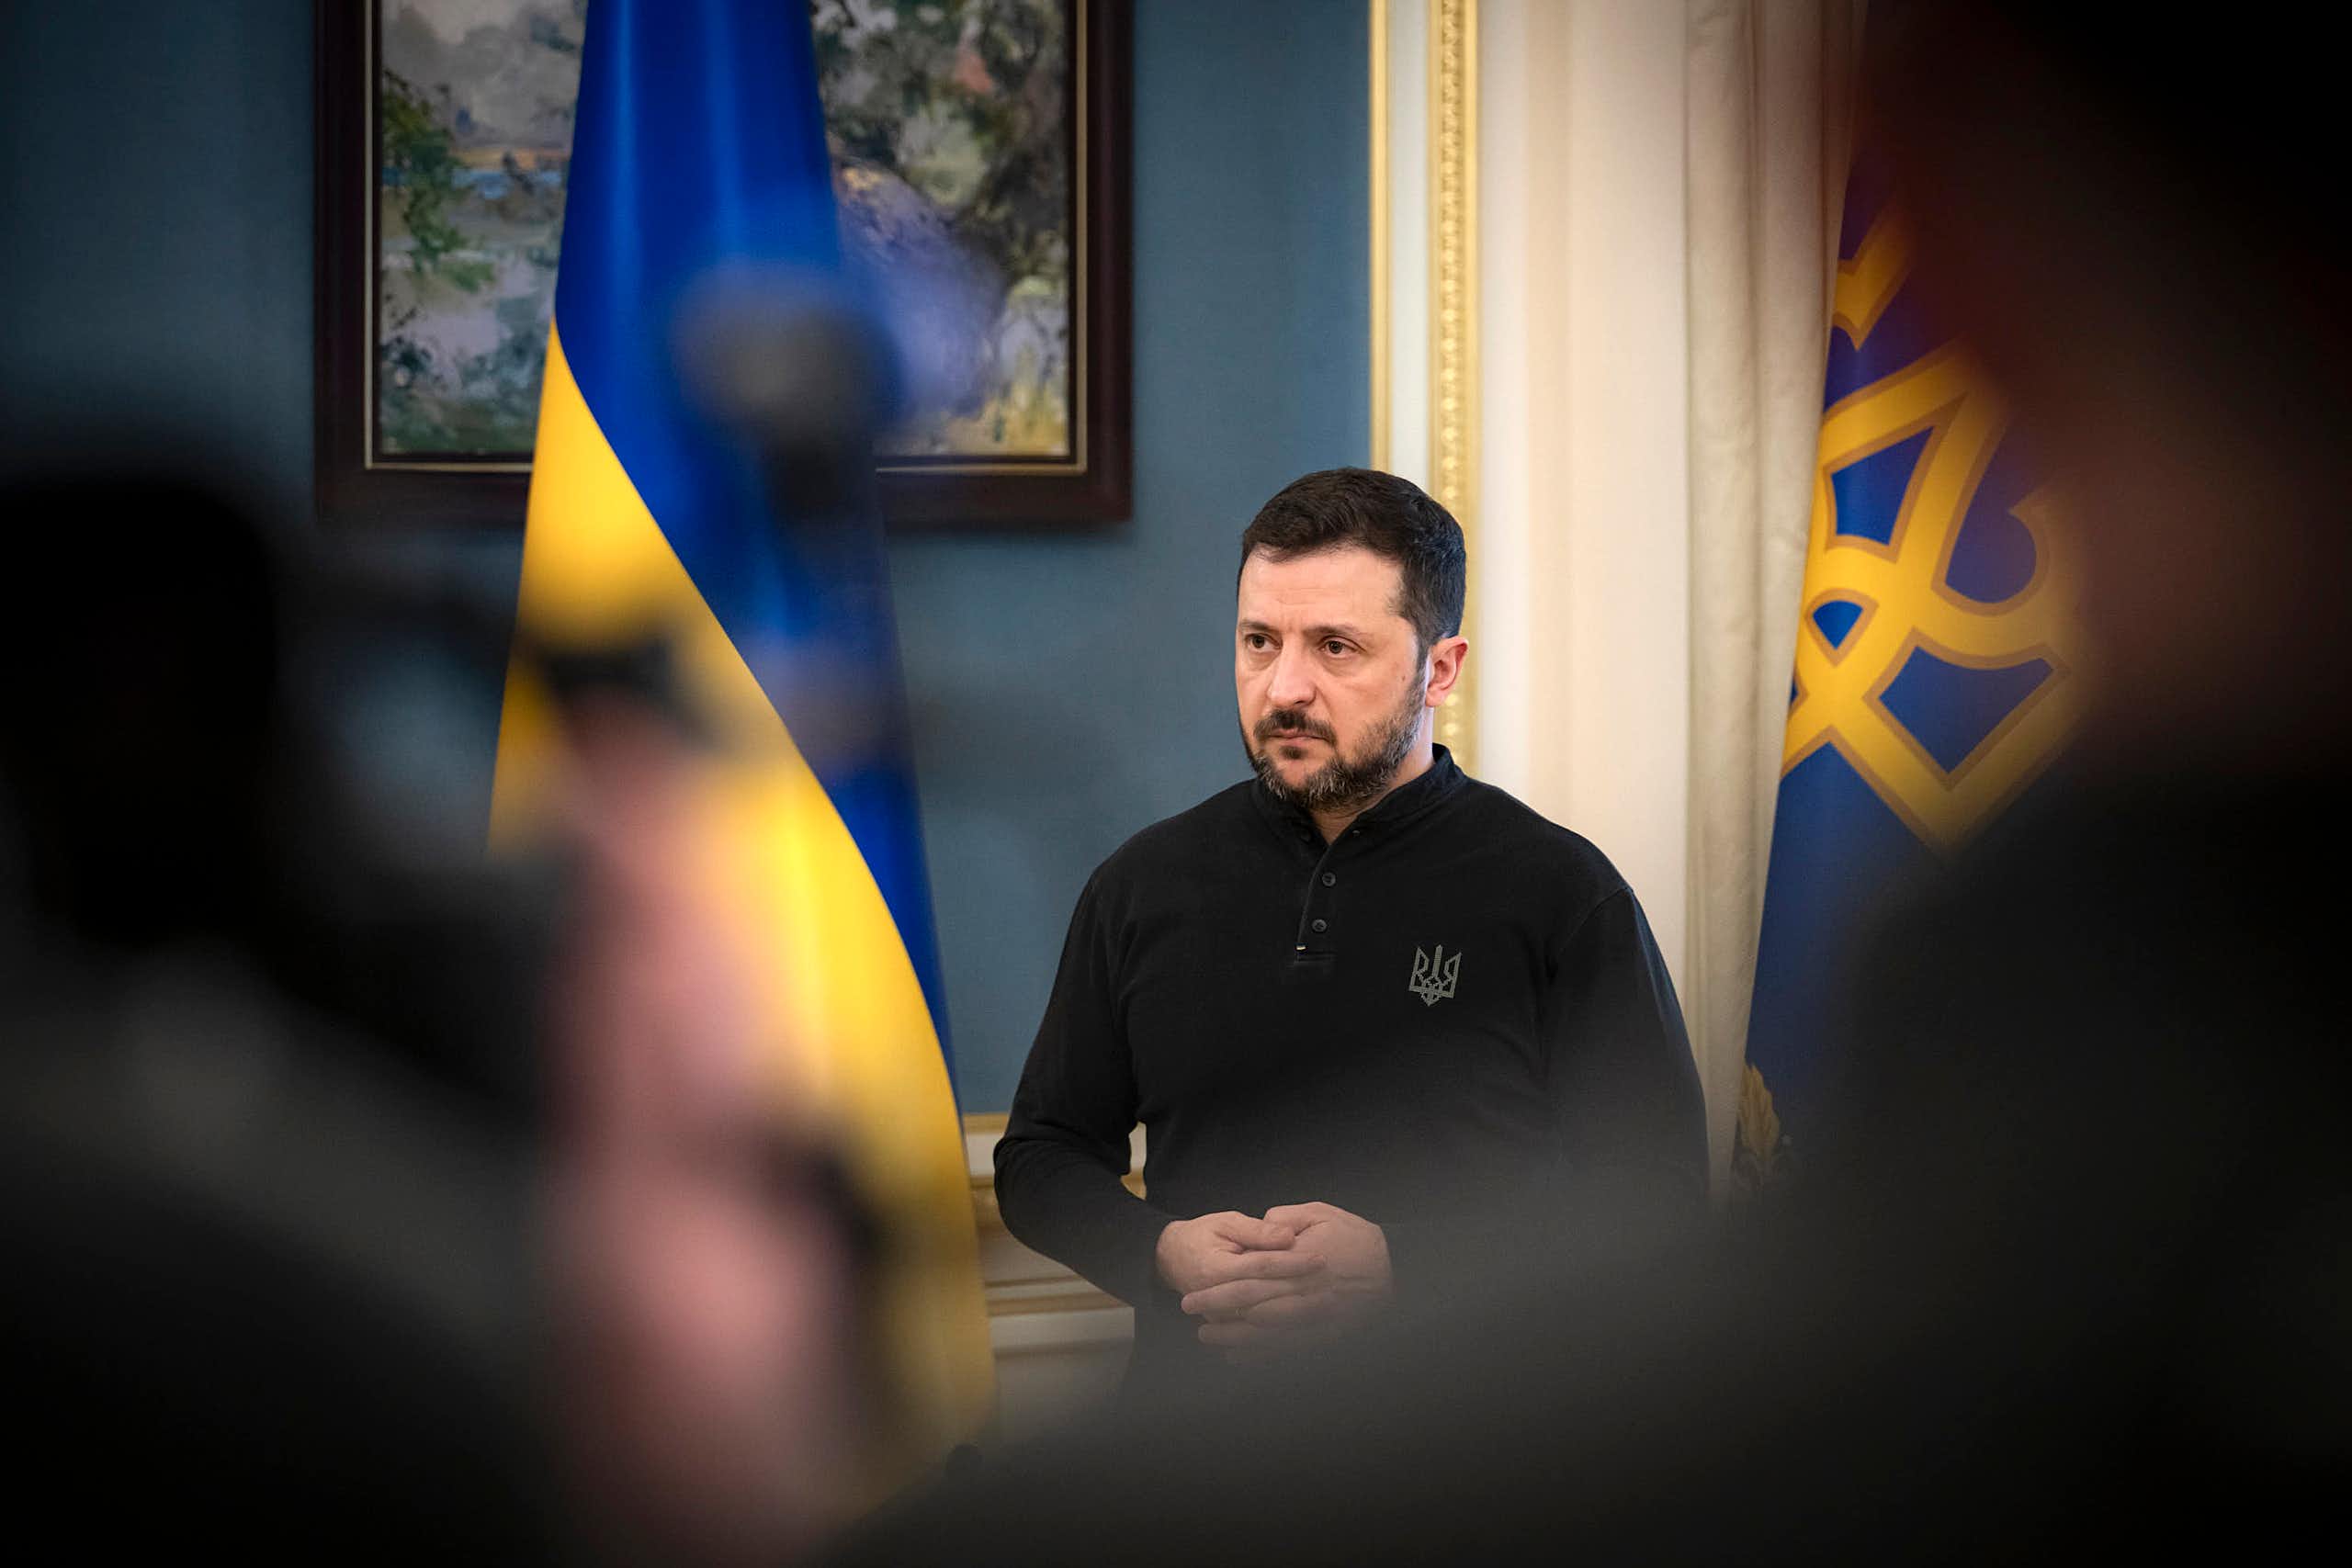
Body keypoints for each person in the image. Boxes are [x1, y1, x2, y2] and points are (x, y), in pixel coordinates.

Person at [993, 468, 1706, 1399]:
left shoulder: (1563, 893)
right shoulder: (1140, 883)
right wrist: (1158, 1250)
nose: (1284, 688)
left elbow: (1656, 1203)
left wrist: (1407, 1269)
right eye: (1259, 642)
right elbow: (1039, 1158)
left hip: (1483, 1454)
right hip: (1192, 1456)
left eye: (1335, 647)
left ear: (1439, 669)